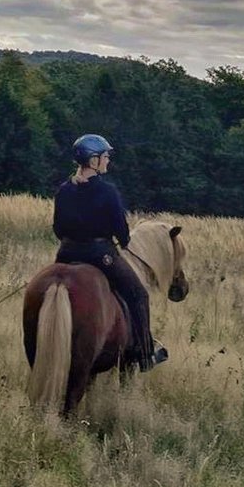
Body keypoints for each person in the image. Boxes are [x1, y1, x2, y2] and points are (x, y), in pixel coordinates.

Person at [53, 134, 166, 372]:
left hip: (66, 254)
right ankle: (145, 355)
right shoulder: (107, 191)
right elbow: (121, 230)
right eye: (105, 157)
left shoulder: (63, 190)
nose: (108, 161)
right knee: (138, 295)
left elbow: (58, 228)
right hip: (100, 256)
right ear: (93, 161)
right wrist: (123, 241)